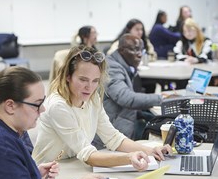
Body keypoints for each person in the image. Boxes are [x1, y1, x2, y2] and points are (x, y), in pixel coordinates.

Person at [31, 45, 172, 168]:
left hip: (73, 164)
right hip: (49, 173)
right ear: (68, 76)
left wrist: (150, 151)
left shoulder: (93, 98)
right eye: (83, 79)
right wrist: (129, 157)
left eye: (95, 81)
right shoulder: (58, 106)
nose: (89, 87)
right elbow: (88, 155)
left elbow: (112, 137)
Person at [103, 33, 164, 141]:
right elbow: (127, 98)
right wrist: (162, 98)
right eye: (135, 50)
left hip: (121, 122)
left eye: (141, 50)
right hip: (112, 133)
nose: (140, 55)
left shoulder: (122, 64)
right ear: (121, 50)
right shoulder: (111, 67)